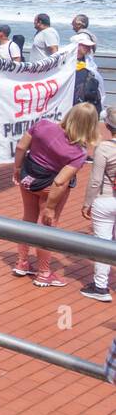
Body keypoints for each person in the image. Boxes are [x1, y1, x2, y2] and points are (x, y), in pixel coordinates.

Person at [12, 103, 100, 288]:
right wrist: (51, 207)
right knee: (46, 227)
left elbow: (21, 147)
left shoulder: (43, 125)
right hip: (48, 187)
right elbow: (60, 181)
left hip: (28, 178)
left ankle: (22, 262)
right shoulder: (78, 153)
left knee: (27, 218)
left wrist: (17, 170)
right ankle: (44, 273)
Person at [80, 106, 116, 303]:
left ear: (108, 126)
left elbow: (95, 180)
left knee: (103, 242)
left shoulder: (104, 147)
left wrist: (87, 203)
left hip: (106, 198)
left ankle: (101, 286)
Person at [71, 31, 103, 110]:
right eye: (85, 46)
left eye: (89, 46)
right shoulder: (68, 59)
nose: (89, 48)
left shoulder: (89, 60)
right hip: (72, 95)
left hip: (85, 95)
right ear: (77, 46)